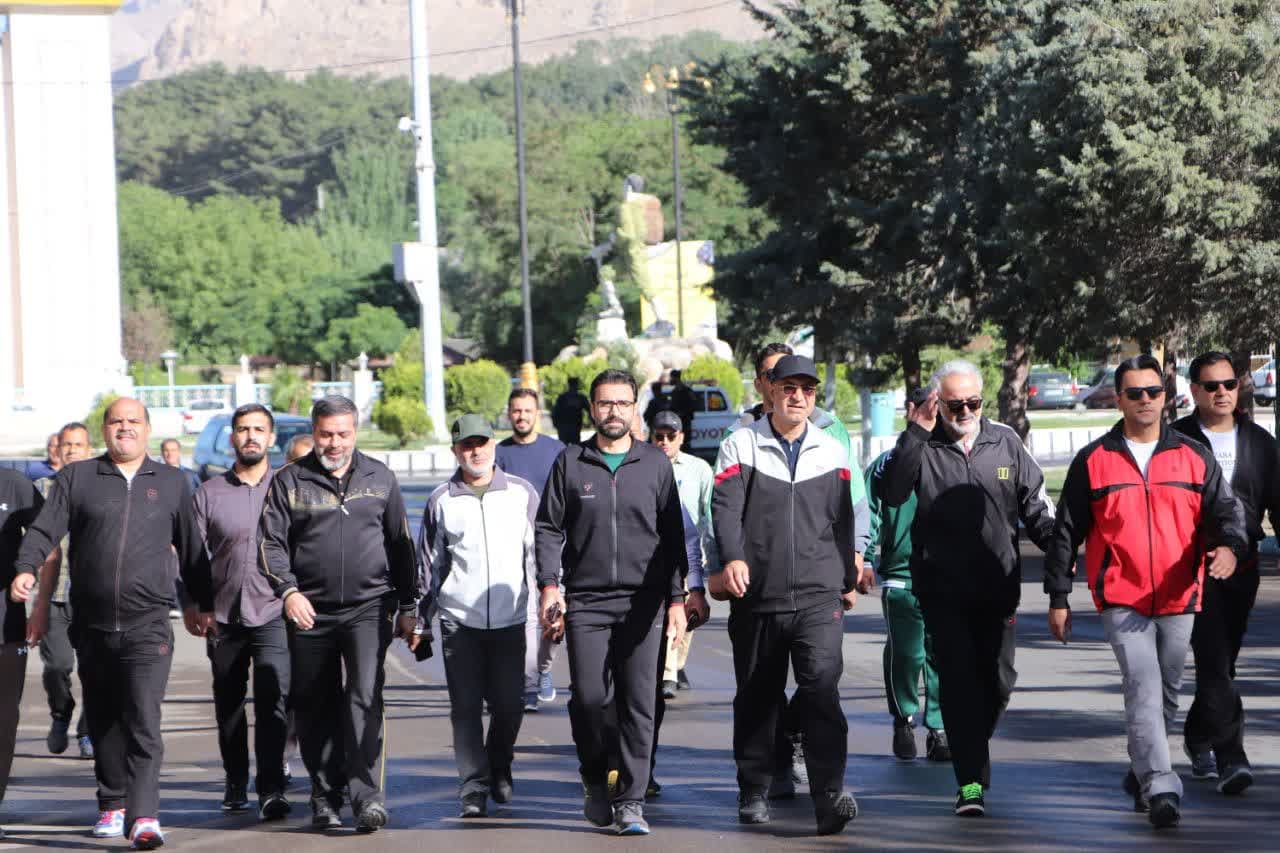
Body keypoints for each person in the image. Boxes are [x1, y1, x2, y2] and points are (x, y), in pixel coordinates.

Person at [1045, 354, 1248, 829]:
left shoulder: (1192, 455)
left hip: (1180, 596)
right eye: (1134, 393)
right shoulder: (1094, 460)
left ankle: (1142, 770)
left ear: (1166, 397)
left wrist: (1230, 547)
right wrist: (1059, 597)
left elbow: (1227, 513)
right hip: (1122, 597)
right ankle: (1160, 785)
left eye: (1153, 392)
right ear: (1118, 399)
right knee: (1143, 686)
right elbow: (1065, 533)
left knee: (1167, 694)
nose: (1145, 401)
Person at [11, 397, 213, 850]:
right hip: (93, 623)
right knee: (104, 718)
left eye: (133, 421)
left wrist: (201, 602)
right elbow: (45, 531)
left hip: (149, 623)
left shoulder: (172, 482)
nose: (125, 427)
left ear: (147, 428)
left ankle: (144, 817)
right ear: (104, 430)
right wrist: (26, 567)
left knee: (143, 717)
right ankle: (112, 803)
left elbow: (193, 548)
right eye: (116, 421)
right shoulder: (78, 478)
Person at [879, 360, 1055, 818]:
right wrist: (915, 434)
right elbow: (893, 492)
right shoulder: (922, 445)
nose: (965, 412)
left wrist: (1059, 548)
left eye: (973, 403)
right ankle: (970, 782)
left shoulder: (1005, 442)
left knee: (998, 682)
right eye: (955, 404)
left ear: (983, 401)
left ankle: (972, 742)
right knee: (957, 685)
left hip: (997, 587)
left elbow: (1036, 505)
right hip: (942, 590)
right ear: (938, 403)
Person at [710, 354, 860, 835]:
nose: (798, 396)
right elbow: (725, 510)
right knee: (758, 697)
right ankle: (754, 788)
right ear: (770, 390)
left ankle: (829, 796)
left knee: (822, 690)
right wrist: (732, 558)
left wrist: (847, 576)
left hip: (819, 596)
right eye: (789, 387)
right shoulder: (740, 444)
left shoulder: (831, 449)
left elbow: (843, 520)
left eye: (807, 389)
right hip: (758, 594)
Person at [535, 369, 689, 836]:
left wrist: (677, 599)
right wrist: (549, 586)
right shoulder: (571, 462)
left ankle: (630, 801)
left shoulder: (655, 464)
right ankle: (595, 775)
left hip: (645, 602)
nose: (614, 411)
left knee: (640, 703)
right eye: (605, 403)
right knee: (590, 699)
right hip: (587, 600)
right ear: (592, 409)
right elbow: (548, 528)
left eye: (623, 403)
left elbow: (673, 537)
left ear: (634, 408)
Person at [258, 396, 418, 833]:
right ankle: (325, 797)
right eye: (326, 434)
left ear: (355, 432)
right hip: (309, 611)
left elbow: (401, 544)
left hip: (369, 607)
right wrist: (288, 592)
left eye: (343, 434)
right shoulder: (289, 481)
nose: (335, 443)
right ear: (314, 432)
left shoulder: (380, 477)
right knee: (315, 705)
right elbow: (270, 543)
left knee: (364, 696)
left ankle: (366, 797)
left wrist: (408, 606)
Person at [419, 415, 540, 817]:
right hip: (459, 622)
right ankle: (473, 786)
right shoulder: (442, 500)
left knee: (510, 705)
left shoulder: (522, 494)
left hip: (511, 619)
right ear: (455, 450)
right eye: (467, 445)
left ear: (493, 445)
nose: (476, 452)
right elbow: (430, 566)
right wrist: (420, 620)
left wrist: (549, 600)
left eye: (482, 443)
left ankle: (499, 761)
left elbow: (539, 554)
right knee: (466, 708)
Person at [1174, 352, 1280, 792]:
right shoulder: (1176, 439)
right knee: (1214, 659)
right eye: (1212, 386)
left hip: (1243, 567)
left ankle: (1198, 734)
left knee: (1224, 660)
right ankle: (1231, 757)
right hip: (1192, 568)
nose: (1222, 393)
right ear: (1194, 391)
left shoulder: (1260, 442)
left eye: (1229, 384)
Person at [185, 404, 291, 820]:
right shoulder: (209, 493)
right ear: (232, 438)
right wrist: (195, 604)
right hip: (223, 615)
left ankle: (271, 788)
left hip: (273, 612)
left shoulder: (287, 489)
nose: (251, 436)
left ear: (271, 438)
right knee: (228, 704)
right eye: (243, 429)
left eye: (259, 429)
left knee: (272, 700)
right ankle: (235, 780)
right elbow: (192, 556)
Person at [865, 447, 948, 763]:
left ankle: (939, 728)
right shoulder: (887, 462)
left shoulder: (954, 458)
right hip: (901, 574)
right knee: (907, 654)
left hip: (947, 576)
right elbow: (866, 508)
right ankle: (903, 717)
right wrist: (864, 557)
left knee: (942, 654)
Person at [494, 388, 565, 710]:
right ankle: (528, 682)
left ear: (538, 414)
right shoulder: (498, 453)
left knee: (552, 615)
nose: (521, 416)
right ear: (509, 413)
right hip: (510, 548)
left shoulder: (556, 451)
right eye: (516, 410)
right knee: (523, 618)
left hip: (551, 545)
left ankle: (544, 668)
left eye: (527, 410)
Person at [32, 422, 94, 760]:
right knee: (57, 665)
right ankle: (61, 712)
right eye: (65, 445)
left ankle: (88, 731)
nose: (71, 450)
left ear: (89, 450)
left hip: (93, 597)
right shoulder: (41, 489)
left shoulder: (103, 490)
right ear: (57, 450)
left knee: (96, 671)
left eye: (77, 445)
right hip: (54, 596)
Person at [651, 411, 714, 698]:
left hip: (690, 553)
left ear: (681, 437)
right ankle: (668, 673)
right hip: (654, 555)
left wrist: (713, 557)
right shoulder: (644, 466)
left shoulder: (699, 469)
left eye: (671, 436)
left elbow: (709, 514)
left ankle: (676, 664)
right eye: (659, 436)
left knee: (687, 613)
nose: (664, 441)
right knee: (664, 610)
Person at [0, 468, 43, 842]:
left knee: (3, 722)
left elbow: (49, 538)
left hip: (5, 627)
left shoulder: (14, 485)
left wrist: (39, 598)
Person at [551, 377, 590, 446]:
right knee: (572, 447)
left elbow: (554, 412)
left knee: (567, 447)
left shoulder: (563, 397)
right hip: (568, 427)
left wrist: (555, 424)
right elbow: (589, 410)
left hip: (568, 427)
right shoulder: (579, 397)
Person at [667, 369, 697, 441]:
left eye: (671, 378)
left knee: (685, 443)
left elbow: (693, 405)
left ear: (676, 378)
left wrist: (682, 414)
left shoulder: (686, 391)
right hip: (676, 424)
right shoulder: (674, 392)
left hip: (685, 423)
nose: (670, 380)